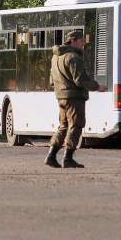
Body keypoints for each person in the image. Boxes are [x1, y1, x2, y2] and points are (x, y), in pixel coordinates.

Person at [44, 29, 102, 169]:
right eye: (81, 41)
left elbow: (52, 80)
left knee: (63, 126)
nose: (83, 44)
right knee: (76, 125)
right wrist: (97, 86)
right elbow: (80, 80)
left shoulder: (55, 57)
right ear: (73, 41)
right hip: (74, 97)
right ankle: (68, 158)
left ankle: (51, 156)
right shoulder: (73, 57)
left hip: (61, 96)